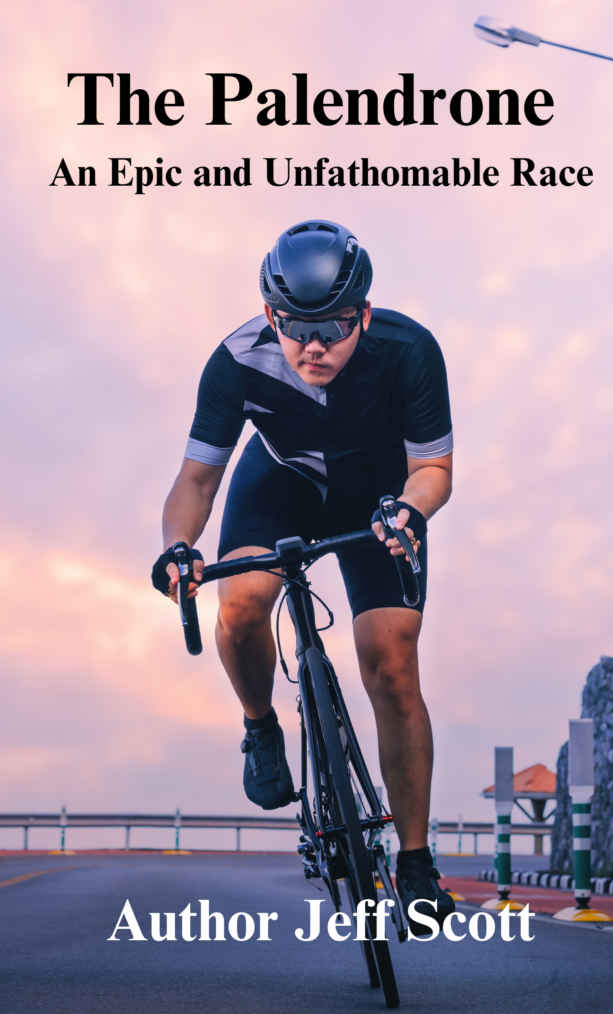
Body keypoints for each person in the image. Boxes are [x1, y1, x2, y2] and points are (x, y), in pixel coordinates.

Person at [152, 219, 455, 930]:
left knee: (392, 661)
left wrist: (411, 511)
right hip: (279, 481)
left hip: (382, 498)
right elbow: (197, 480)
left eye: (336, 327)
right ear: (269, 315)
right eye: (294, 326)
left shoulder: (408, 351)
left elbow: (433, 470)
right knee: (242, 602)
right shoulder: (235, 359)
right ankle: (261, 727)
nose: (313, 345)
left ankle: (414, 865)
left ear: (365, 316)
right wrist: (177, 546)